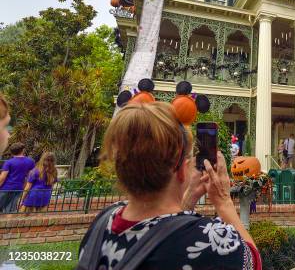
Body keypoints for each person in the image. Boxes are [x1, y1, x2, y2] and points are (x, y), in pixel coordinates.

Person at [78, 102, 261, 270]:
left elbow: (161, 225)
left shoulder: (102, 224)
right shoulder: (209, 240)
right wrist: (223, 202)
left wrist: (188, 199)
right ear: (181, 170)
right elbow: (252, 262)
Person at [0, 142, 35, 213]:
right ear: (23, 150)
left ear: (12, 152)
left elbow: (2, 178)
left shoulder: (9, 162)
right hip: (18, 188)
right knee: (10, 210)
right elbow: (31, 176)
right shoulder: (30, 161)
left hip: (6, 188)